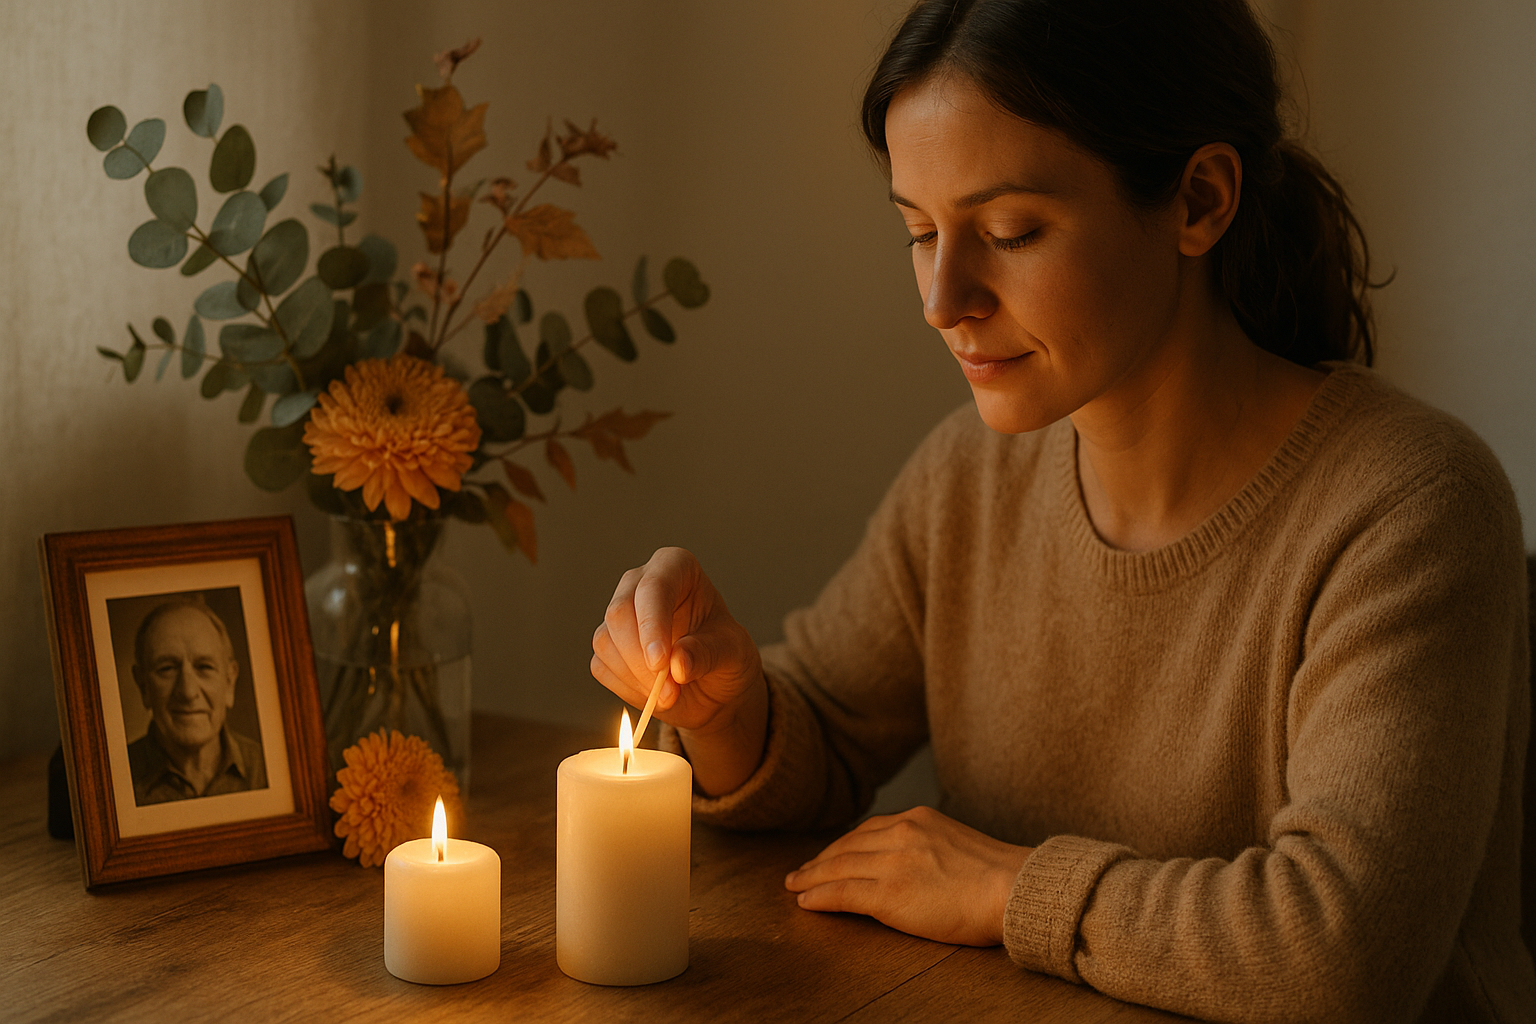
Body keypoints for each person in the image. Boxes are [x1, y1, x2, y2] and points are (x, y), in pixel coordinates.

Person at [590, 0, 1534, 1020]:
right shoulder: (970, 478)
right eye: (919, 231)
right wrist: (728, 708)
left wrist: (1003, 887)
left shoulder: (1407, 507)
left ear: (1199, 201)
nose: (943, 298)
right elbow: (817, 736)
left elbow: (1342, 951)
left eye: (1009, 231)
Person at [126, 596, 267, 805]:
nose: (188, 692)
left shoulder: (268, 770)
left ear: (229, 682)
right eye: (167, 668)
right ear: (143, 686)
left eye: (204, 667)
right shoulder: (112, 779)